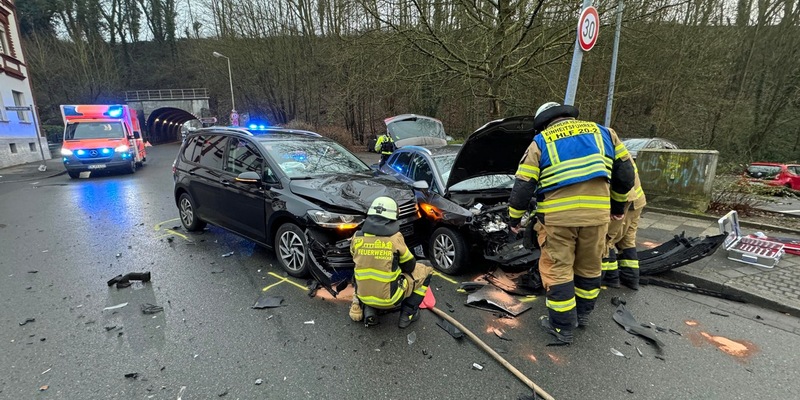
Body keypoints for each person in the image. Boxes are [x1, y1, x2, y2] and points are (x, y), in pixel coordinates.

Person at [507, 102, 635, 344]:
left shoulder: (541, 141)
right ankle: (582, 315)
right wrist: (618, 208)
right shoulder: (605, 133)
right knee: (589, 266)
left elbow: (523, 186)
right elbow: (626, 174)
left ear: (543, 123)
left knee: (558, 270)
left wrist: (514, 219)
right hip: (596, 217)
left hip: (558, 220)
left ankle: (562, 327)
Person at [348, 196, 433, 328]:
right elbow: (410, 266)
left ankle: (370, 309)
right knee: (426, 268)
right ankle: (408, 314)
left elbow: (357, 258)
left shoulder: (357, 237)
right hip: (391, 299)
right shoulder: (394, 238)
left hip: (362, 296)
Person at [602, 162, 646, 290]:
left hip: (624, 202)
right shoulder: (623, 153)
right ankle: (631, 279)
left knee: (606, 240)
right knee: (627, 241)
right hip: (637, 201)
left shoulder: (609, 153)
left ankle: (610, 278)